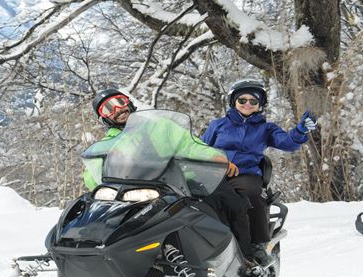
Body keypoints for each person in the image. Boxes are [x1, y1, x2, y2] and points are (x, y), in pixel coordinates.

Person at [84, 89, 255, 267]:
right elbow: (92, 174)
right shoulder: (107, 144)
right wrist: (102, 174)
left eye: (119, 102)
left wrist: (216, 157)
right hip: (138, 190)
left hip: (180, 181)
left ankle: (246, 256)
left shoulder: (160, 126)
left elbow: (190, 145)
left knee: (230, 200)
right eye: (108, 109)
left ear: (128, 102)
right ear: (104, 118)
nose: (117, 109)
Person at [201, 79, 318, 266]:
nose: (247, 104)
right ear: (233, 102)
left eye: (253, 101)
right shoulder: (219, 125)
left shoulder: (265, 128)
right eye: (242, 100)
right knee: (196, 196)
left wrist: (299, 131)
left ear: (260, 105)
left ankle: (256, 244)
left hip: (245, 174)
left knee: (250, 195)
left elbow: (287, 142)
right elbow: (201, 147)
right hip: (215, 172)